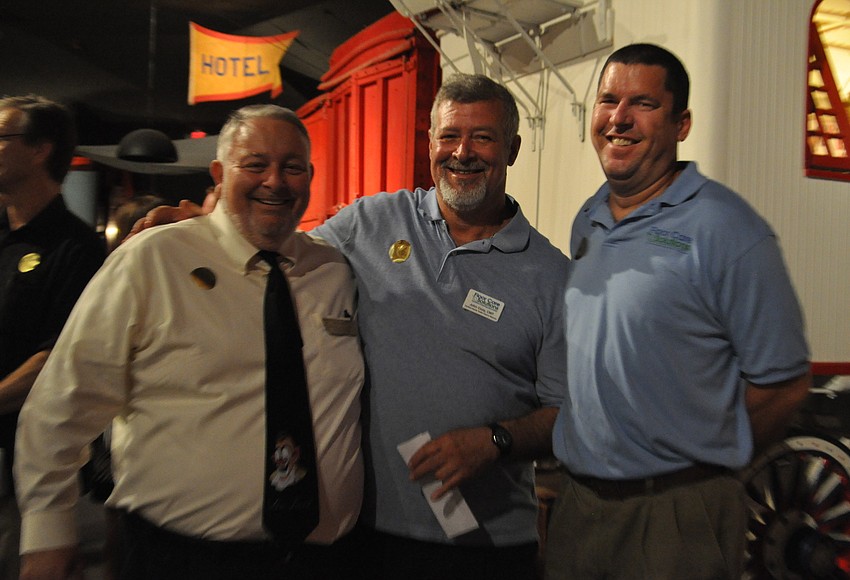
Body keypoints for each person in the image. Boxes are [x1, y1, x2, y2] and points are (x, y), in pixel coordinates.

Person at [131, 74, 570, 580]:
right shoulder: (372, 221)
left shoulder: (552, 275)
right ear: (430, 145)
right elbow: (274, 251)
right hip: (359, 534)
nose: (462, 152)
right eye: (449, 136)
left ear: (512, 149)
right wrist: (203, 228)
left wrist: (495, 441)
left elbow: (571, 416)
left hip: (482, 546)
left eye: (483, 137)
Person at [14, 104, 364, 580]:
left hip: (321, 561)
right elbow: (61, 407)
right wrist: (48, 535)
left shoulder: (334, 271)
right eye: (256, 164)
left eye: (292, 167)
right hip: (180, 561)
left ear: (310, 176)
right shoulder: (154, 258)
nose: (275, 181)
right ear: (219, 174)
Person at [545, 43, 812, 580]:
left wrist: (697, 469)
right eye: (607, 100)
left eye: (641, 103)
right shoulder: (588, 220)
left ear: (681, 123)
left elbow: (783, 386)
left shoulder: (728, 229)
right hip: (580, 508)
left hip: (672, 518)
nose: (618, 118)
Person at [0, 94, 106, 580]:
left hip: (31, 472)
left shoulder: (77, 247)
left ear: (40, 149)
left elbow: (57, 356)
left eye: (1, 136)